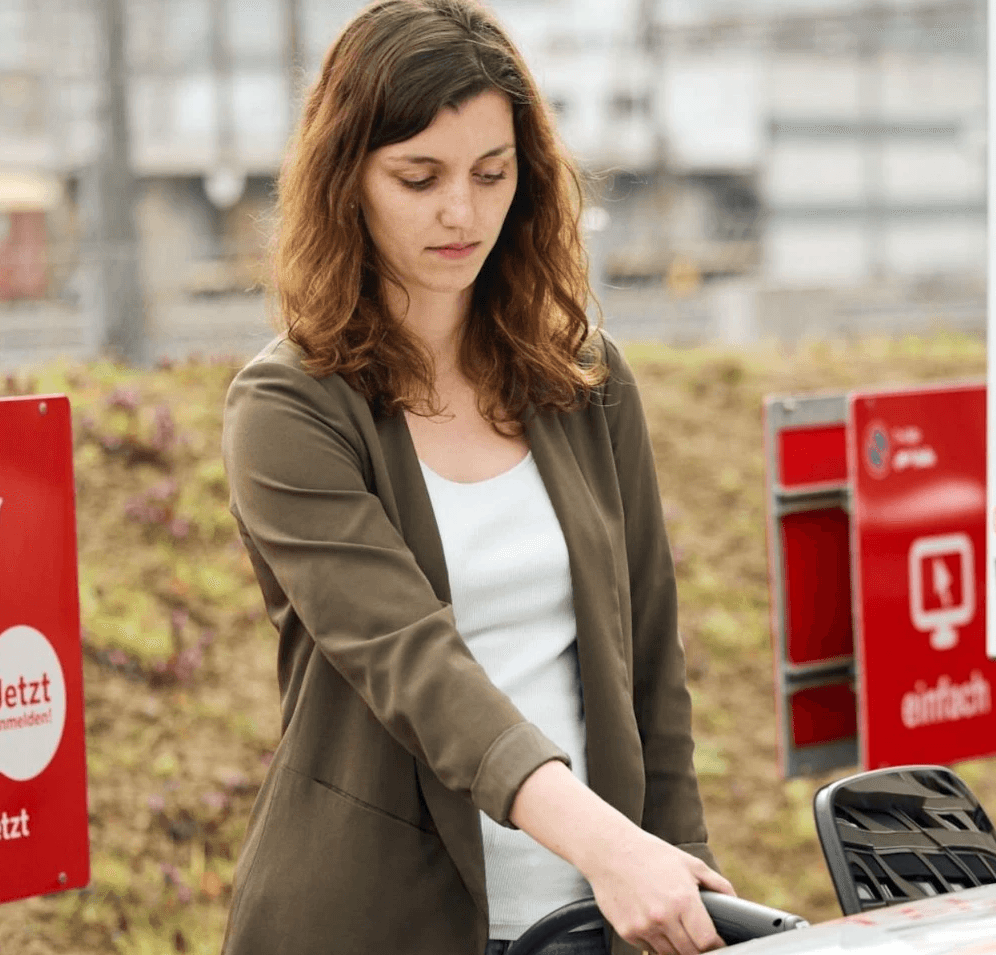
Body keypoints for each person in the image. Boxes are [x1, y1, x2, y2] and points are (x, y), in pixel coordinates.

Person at [219, 2, 732, 953]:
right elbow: (415, 663)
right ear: (348, 183)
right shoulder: (286, 409)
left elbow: (651, 665)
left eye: (491, 174)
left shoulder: (584, 379)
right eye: (419, 177)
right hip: (376, 920)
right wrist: (612, 843)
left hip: (597, 915)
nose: (462, 212)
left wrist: (674, 868)